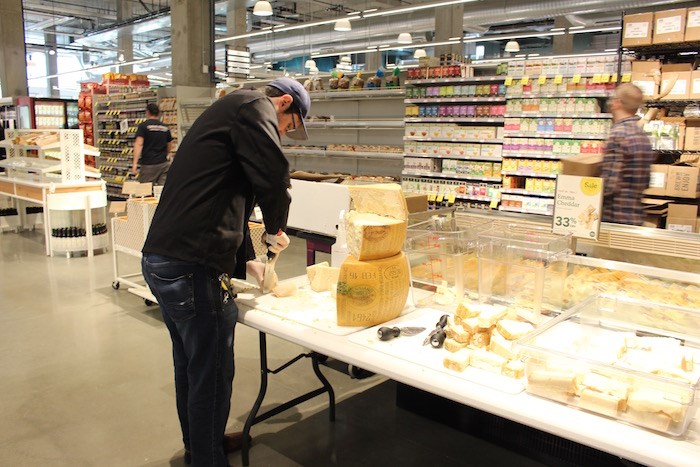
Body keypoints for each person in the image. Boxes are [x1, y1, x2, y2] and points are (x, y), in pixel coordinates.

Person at [141, 78, 310, 466]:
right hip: (191, 268)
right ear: (284, 103)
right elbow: (274, 180)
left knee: (191, 365)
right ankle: (207, 458)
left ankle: (202, 444)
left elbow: (229, 196)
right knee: (212, 370)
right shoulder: (256, 108)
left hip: (163, 260)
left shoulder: (230, 111)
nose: (286, 133)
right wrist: (275, 230)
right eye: (291, 125)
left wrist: (245, 258)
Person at [600, 83, 654, 226]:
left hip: (614, 218)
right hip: (635, 216)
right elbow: (647, 181)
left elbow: (609, 184)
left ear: (617, 103)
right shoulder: (643, 136)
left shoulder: (618, 134)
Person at [131, 103, 175, 185]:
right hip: (163, 164)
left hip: (149, 164)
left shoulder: (143, 126)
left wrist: (135, 164)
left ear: (147, 112)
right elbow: (170, 143)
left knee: (145, 191)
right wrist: (168, 154)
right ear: (158, 113)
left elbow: (139, 144)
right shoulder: (165, 127)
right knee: (161, 191)